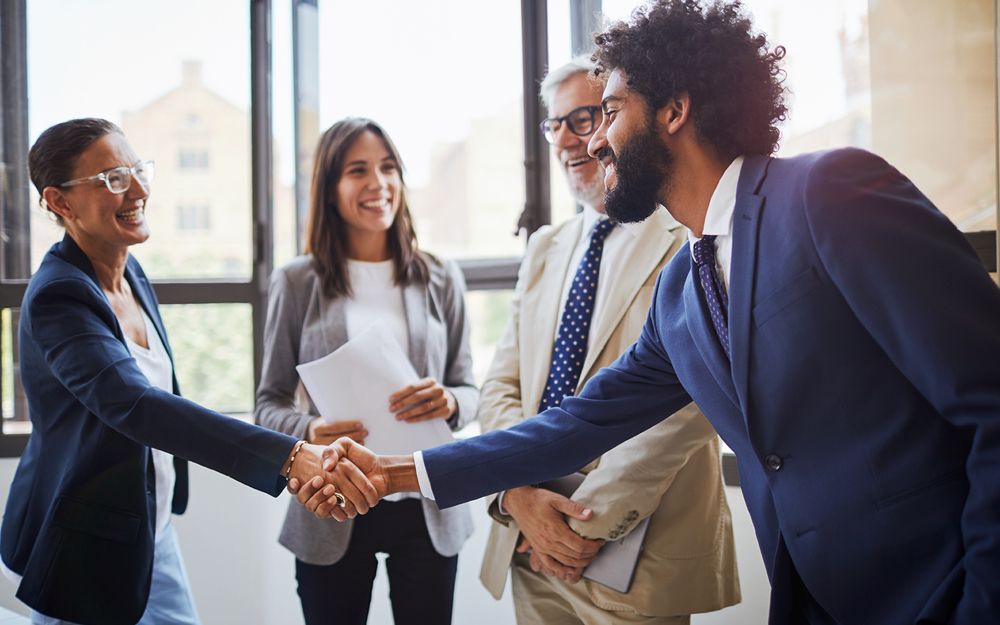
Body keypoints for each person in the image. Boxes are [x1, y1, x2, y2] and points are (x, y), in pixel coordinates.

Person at [301, 2, 1000, 624]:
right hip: (818, 595)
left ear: (674, 110)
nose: (594, 141)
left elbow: (990, 399)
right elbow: (574, 425)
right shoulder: (682, 290)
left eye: (608, 111)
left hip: (941, 586)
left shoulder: (828, 192)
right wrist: (395, 472)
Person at [0, 118, 375, 625]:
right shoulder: (57, 298)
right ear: (61, 202)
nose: (137, 188)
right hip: (86, 540)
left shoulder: (128, 270)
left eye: (137, 169)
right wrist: (289, 456)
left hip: (147, 530)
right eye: (113, 178)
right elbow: (137, 405)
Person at [477, 56, 738, 625]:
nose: (571, 140)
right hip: (529, 548)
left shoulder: (687, 233)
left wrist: (579, 525)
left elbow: (692, 403)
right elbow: (501, 386)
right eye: (556, 125)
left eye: (587, 117)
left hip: (634, 559)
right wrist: (518, 495)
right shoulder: (546, 247)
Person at [256, 117, 478, 625]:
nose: (378, 183)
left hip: (425, 502)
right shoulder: (296, 282)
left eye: (388, 167)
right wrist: (308, 430)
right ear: (331, 188)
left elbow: (470, 388)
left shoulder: (440, 276)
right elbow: (267, 403)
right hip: (332, 504)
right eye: (358, 170)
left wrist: (451, 401)